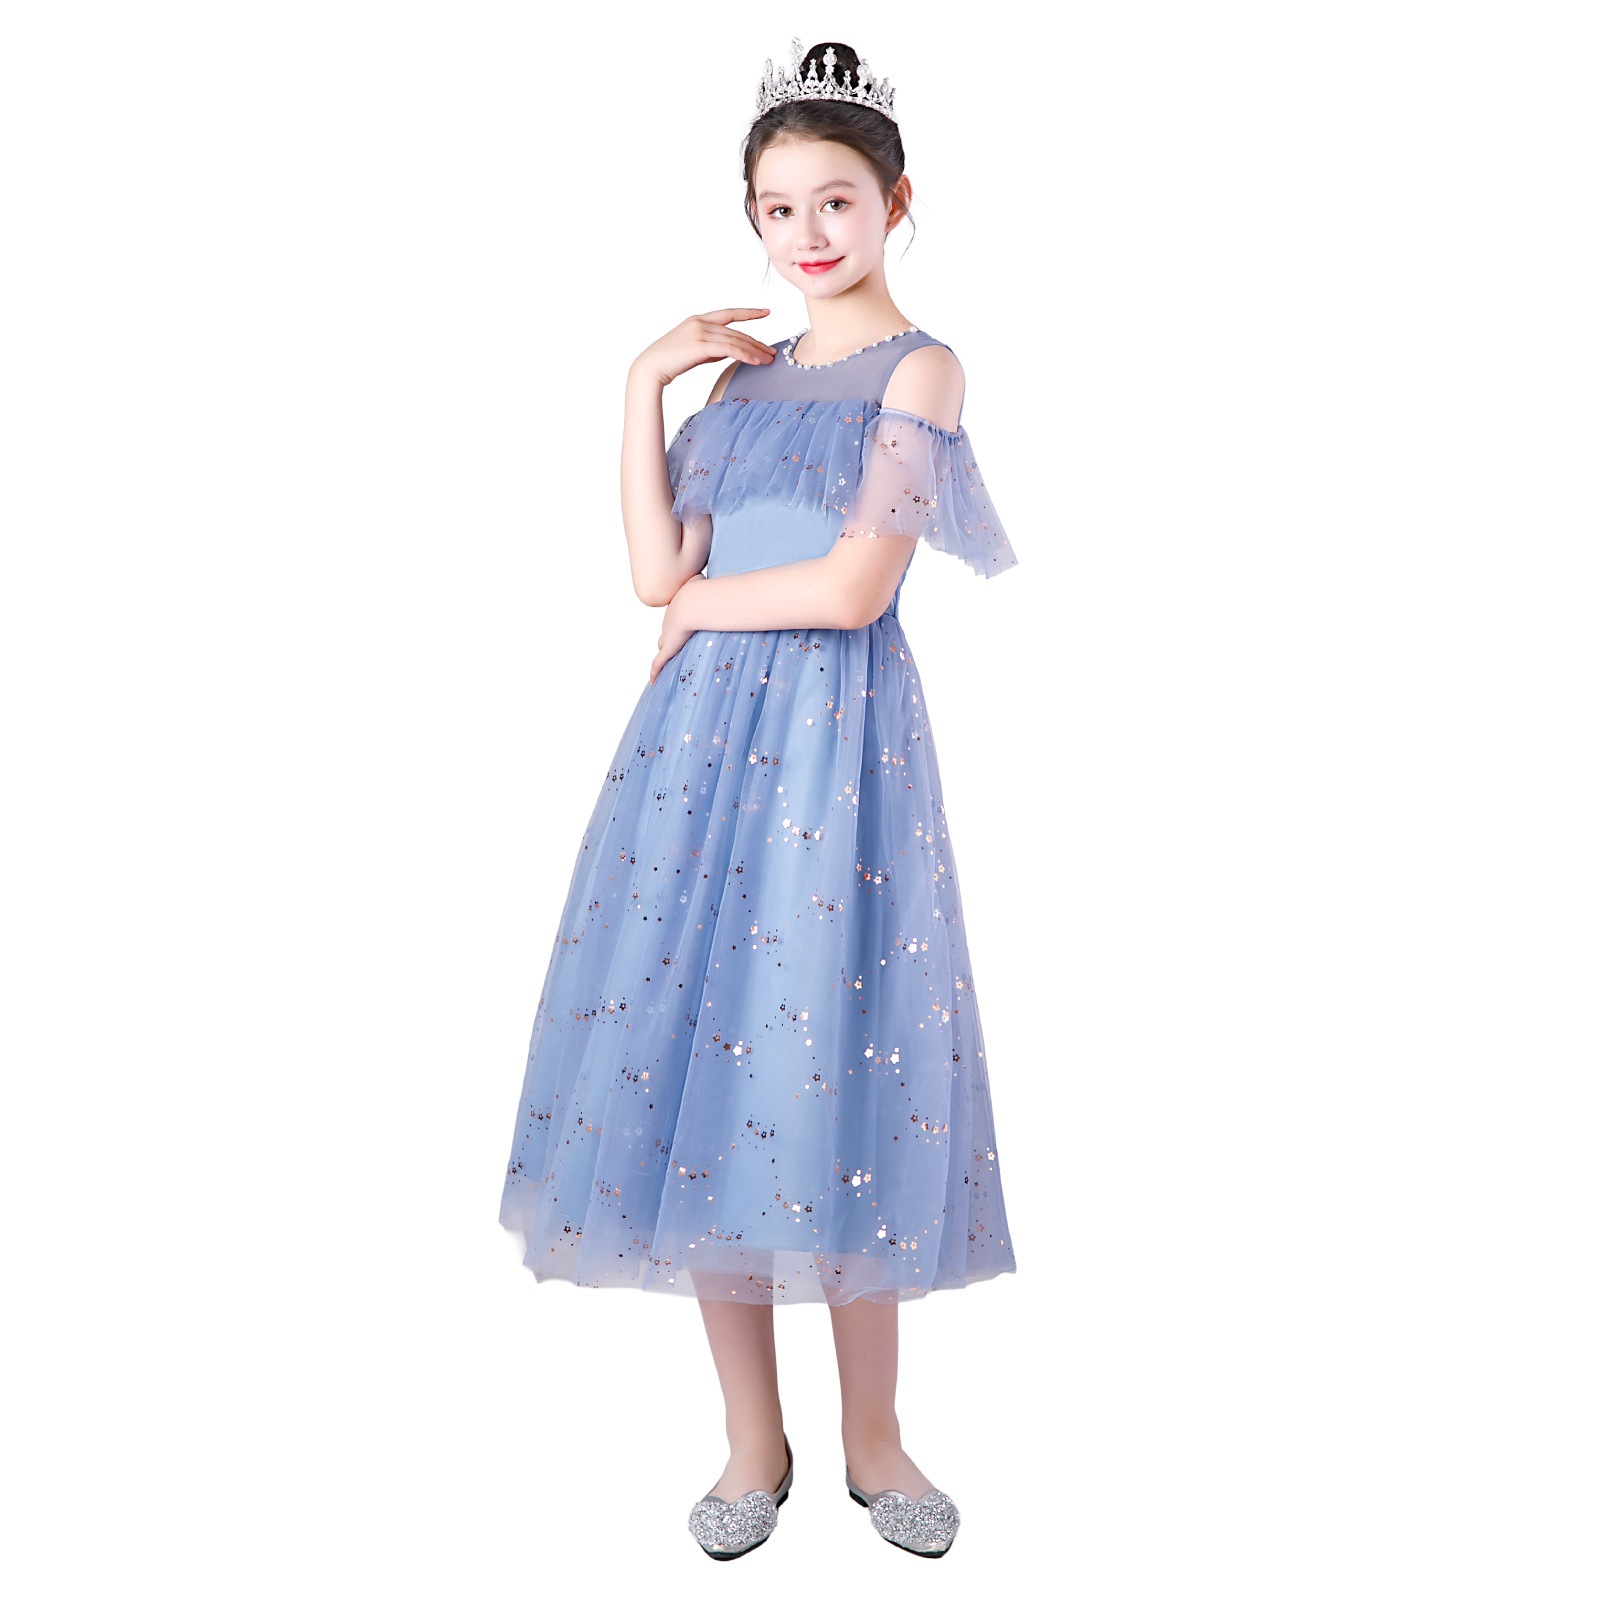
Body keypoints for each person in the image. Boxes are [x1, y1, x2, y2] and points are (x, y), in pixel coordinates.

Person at [498, 36, 1021, 1560]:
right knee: (701, 1067)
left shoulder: (921, 370)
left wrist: (704, 612)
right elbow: (656, 569)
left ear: (895, 204)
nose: (807, 233)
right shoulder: (739, 383)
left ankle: (875, 1435)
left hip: (835, 755)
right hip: (693, 761)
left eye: (836, 201)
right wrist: (641, 384)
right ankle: (751, 1438)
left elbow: (855, 590)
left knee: (838, 1065)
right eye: (778, 209)